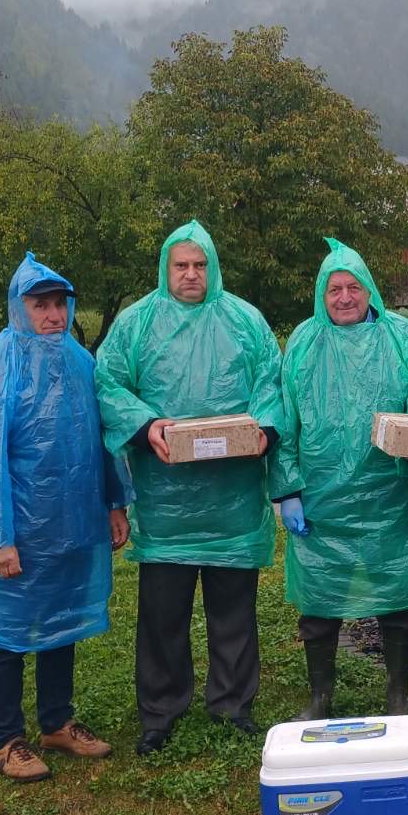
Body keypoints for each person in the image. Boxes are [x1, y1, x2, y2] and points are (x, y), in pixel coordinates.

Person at [0, 254, 130, 782]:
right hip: (19, 532)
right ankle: (5, 740)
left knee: (61, 622)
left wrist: (114, 503)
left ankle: (56, 723)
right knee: (9, 632)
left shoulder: (79, 361)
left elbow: (102, 438)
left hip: (71, 524)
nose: (53, 315)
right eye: (40, 305)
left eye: (59, 304)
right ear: (18, 308)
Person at [95, 221, 282, 755]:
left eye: (200, 265)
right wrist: (145, 425)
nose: (191, 274)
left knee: (234, 612)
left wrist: (263, 431)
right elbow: (108, 383)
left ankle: (233, 705)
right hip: (167, 503)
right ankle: (160, 712)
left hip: (232, 502)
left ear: (213, 267)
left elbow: (272, 383)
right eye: (182, 265)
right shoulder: (136, 324)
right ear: (166, 268)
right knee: (162, 616)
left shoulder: (245, 321)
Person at [270, 238, 408, 719]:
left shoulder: (401, 337)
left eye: (353, 287)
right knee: (319, 595)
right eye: (334, 288)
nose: (344, 297)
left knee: (397, 592)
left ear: (369, 289)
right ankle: (320, 696)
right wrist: (287, 489)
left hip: (389, 489)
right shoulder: (304, 342)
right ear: (322, 293)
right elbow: (285, 419)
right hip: (321, 495)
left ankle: (398, 694)